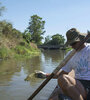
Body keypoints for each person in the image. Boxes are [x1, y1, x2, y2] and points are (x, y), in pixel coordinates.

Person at [37, 28, 90, 100]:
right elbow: (62, 73)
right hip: (77, 83)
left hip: (88, 84)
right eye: (70, 44)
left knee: (62, 78)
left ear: (81, 39)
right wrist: (45, 75)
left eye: (74, 43)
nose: (72, 46)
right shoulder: (70, 54)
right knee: (54, 97)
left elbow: (62, 77)